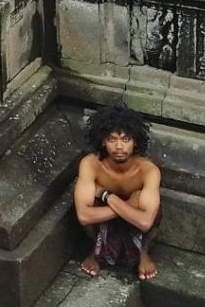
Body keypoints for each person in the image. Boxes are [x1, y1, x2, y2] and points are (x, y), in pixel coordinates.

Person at [74, 103, 161, 282]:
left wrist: (107, 195)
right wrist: (127, 205)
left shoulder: (148, 171)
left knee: (155, 211)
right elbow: (83, 216)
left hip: (134, 221)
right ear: (103, 141)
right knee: (92, 205)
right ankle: (95, 251)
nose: (119, 147)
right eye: (112, 139)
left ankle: (143, 252)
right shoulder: (90, 164)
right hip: (104, 218)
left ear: (135, 141)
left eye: (126, 140)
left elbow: (145, 222)